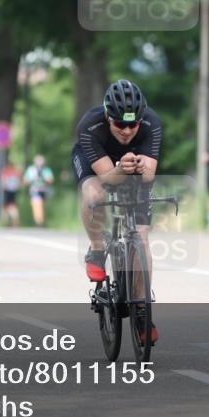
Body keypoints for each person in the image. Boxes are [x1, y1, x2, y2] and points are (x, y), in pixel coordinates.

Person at [72, 79, 162, 346]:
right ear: (107, 116)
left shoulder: (151, 123)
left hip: (129, 169)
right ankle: (98, 249)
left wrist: (137, 169)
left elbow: (148, 176)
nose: (126, 131)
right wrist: (121, 168)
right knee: (95, 195)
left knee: (142, 241)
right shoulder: (90, 126)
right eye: (120, 124)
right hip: (98, 165)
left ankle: (142, 312)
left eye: (132, 124)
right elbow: (108, 179)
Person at [23, 154, 54, 227]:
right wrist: (32, 179)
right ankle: (39, 222)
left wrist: (44, 177)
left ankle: (42, 221)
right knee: (37, 204)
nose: (39, 163)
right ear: (34, 162)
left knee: (42, 206)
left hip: (44, 191)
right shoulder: (31, 170)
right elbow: (25, 181)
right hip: (34, 191)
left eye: (41, 161)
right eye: (38, 161)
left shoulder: (46, 170)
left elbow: (51, 180)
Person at [0, 160, 22, 227]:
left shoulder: (5, 171)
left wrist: (3, 186)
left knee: (6, 207)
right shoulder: (16, 172)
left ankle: (7, 222)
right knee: (12, 206)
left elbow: (3, 182)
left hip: (7, 191)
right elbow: (20, 181)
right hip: (14, 191)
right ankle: (13, 222)